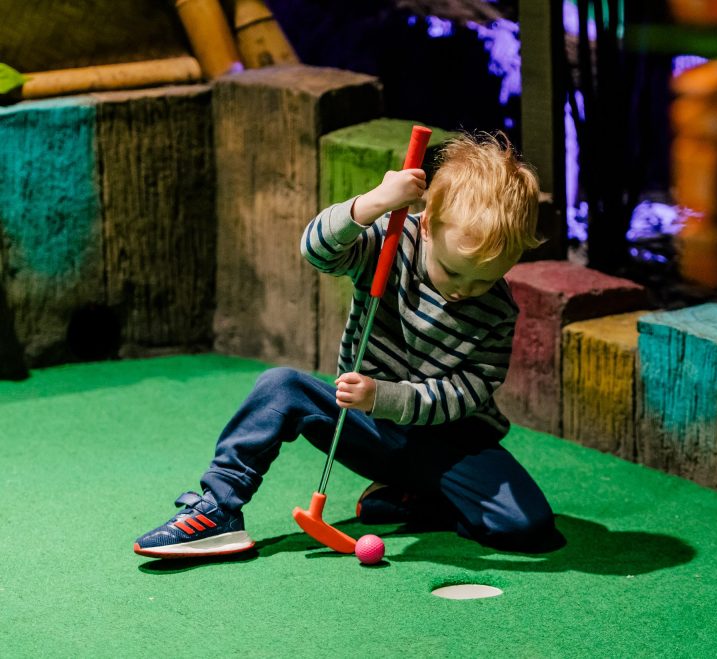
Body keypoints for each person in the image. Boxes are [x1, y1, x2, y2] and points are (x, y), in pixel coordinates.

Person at [134, 132, 565, 558]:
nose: (463, 291)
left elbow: (468, 391)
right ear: (429, 227)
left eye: (485, 279)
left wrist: (385, 396)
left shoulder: (497, 309)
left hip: (449, 444)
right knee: (280, 387)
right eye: (454, 273)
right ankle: (219, 508)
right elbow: (317, 249)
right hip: (365, 427)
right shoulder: (393, 242)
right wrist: (374, 202)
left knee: (528, 526)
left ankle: (414, 498)